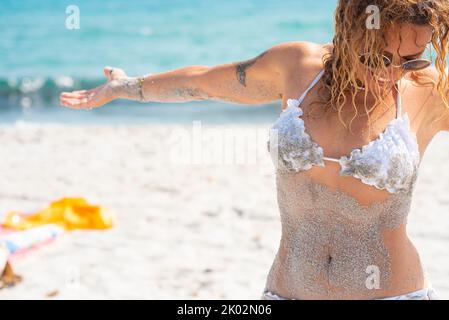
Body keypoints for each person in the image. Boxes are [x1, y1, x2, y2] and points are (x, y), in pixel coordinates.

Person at [60, 0, 449, 300]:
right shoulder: (298, 68)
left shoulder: (427, 90)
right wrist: (125, 88)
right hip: (287, 289)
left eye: (410, 59)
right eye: (377, 57)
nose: (391, 71)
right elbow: (204, 82)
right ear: (350, 30)